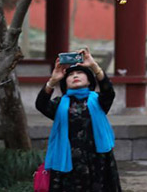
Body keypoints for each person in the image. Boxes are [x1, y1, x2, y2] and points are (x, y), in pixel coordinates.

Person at [35, 46, 121, 192]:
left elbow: (108, 91)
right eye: (71, 74)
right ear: (65, 82)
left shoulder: (98, 101)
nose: (75, 76)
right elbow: (41, 104)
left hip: (97, 161)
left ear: (89, 80)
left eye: (80, 72)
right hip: (68, 163)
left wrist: (93, 66)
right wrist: (53, 79)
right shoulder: (59, 104)